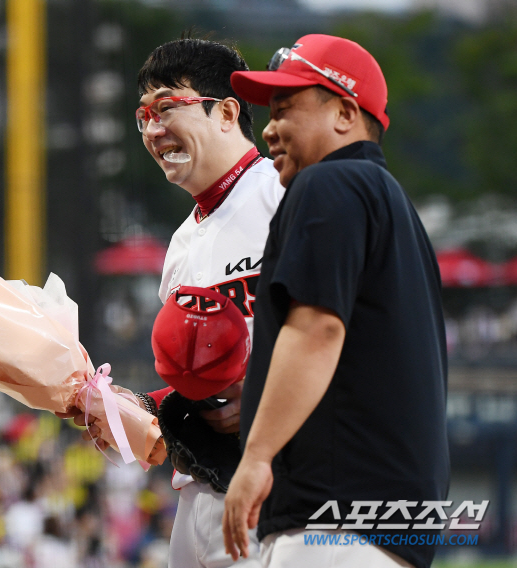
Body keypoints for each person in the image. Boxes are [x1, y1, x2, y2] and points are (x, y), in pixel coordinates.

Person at [221, 34, 449, 568]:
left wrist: (256, 457)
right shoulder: (395, 206)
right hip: (389, 531)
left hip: (333, 523)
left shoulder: (330, 181)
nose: (270, 130)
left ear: (345, 113)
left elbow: (317, 330)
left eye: (284, 109)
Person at [65, 38, 285, 568]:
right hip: (197, 486)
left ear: (227, 111)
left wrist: (260, 390)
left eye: (166, 107)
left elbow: (330, 332)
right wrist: (138, 407)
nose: (152, 130)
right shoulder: (182, 243)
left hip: (274, 479)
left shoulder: (280, 195)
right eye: (142, 116)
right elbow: (195, 382)